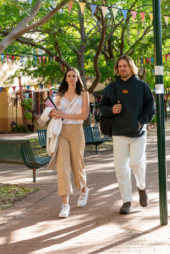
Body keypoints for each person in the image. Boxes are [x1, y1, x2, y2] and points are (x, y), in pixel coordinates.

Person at [98, 55, 156, 215]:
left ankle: (142, 188)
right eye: (120, 66)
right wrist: (111, 110)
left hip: (138, 133)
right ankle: (126, 201)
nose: (122, 68)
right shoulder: (111, 87)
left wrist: (140, 121)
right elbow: (101, 106)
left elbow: (150, 108)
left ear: (131, 67)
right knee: (121, 169)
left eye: (125, 66)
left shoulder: (142, 86)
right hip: (118, 134)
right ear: (117, 68)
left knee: (137, 163)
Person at [37, 67, 90, 218]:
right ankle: (65, 205)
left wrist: (64, 114)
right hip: (61, 131)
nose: (72, 78)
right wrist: (53, 112)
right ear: (65, 78)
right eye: (69, 76)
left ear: (78, 78)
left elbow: (84, 116)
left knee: (77, 164)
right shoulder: (59, 95)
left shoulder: (84, 94)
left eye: (74, 76)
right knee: (63, 167)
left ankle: (84, 190)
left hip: (77, 132)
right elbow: (55, 110)